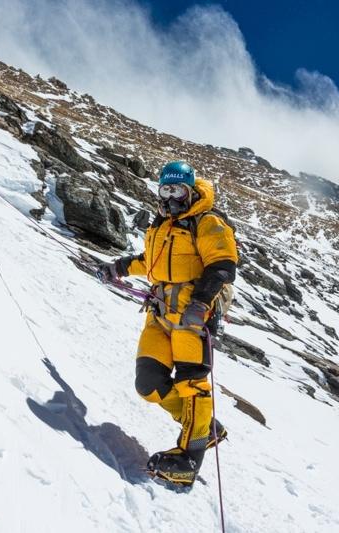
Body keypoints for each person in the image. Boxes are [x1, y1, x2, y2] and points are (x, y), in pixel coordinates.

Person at [97, 161, 238, 487]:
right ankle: (205, 429)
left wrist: (201, 303)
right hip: (160, 316)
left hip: (192, 319)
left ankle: (188, 460)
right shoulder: (161, 225)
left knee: (193, 386)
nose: (171, 196)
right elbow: (150, 262)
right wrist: (117, 269)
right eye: (166, 189)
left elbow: (222, 266)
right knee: (148, 383)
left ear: (190, 190)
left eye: (178, 190)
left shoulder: (207, 222)